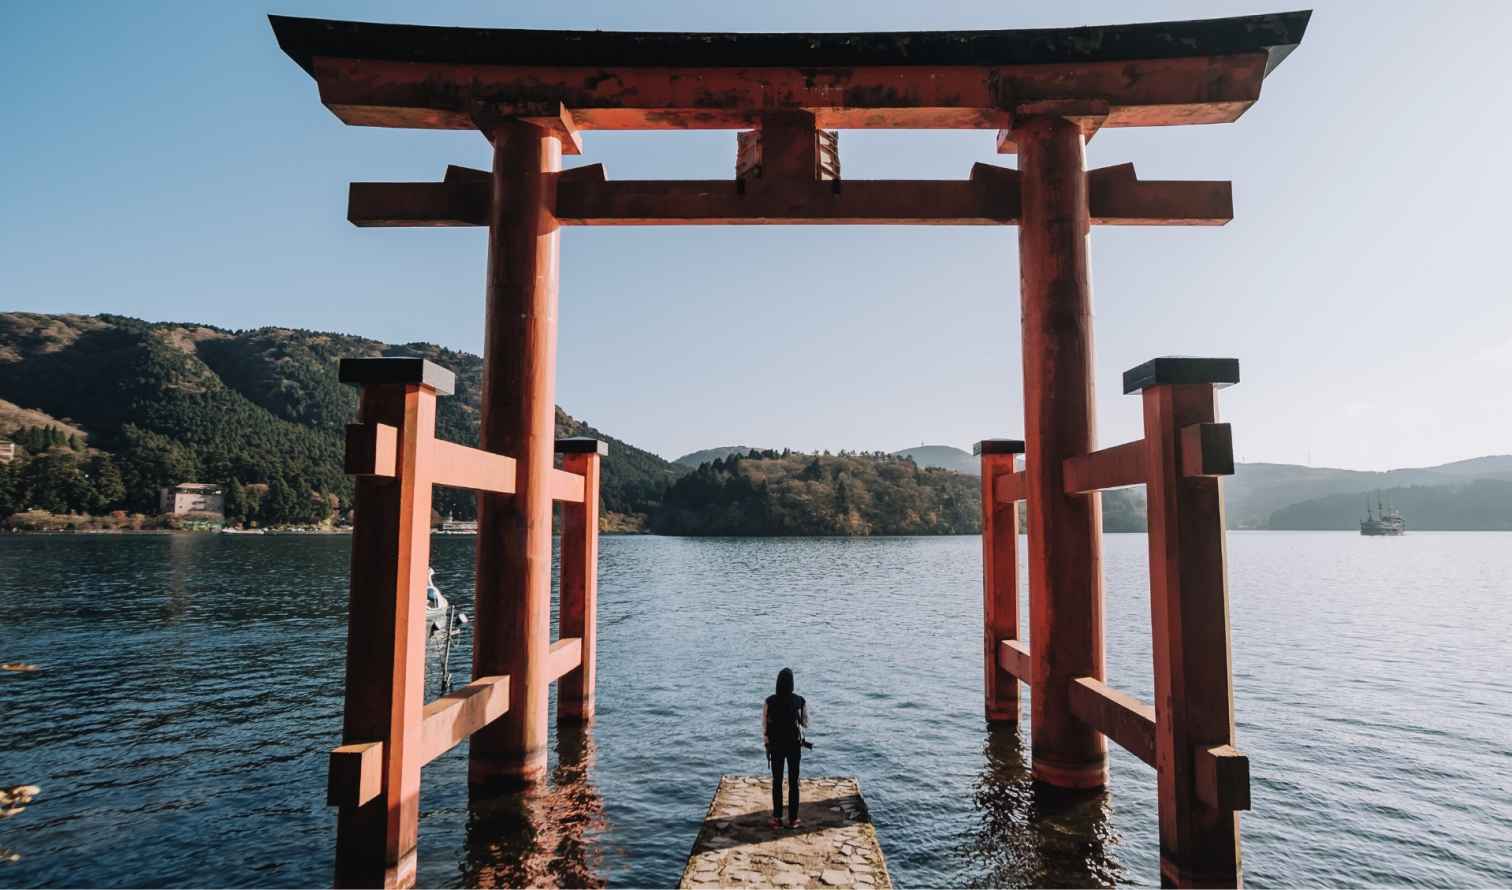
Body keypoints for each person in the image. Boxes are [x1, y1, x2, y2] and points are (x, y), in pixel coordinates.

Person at [763, 667, 808, 829]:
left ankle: (777, 818)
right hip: (794, 746)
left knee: (777, 782)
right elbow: (805, 723)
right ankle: (793, 819)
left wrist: (766, 744)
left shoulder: (769, 701)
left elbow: (765, 727)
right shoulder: (800, 701)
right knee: (794, 782)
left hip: (775, 746)